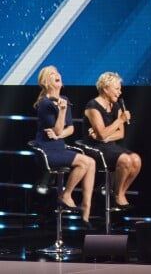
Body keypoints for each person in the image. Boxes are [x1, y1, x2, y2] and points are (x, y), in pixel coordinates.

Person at [33, 65, 96, 229]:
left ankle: (86, 210)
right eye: (52, 74)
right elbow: (59, 128)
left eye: (57, 72)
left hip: (59, 147)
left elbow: (70, 129)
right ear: (46, 83)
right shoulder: (45, 104)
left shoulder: (65, 99)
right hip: (46, 151)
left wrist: (59, 135)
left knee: (92, 162)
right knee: (84, 162)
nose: (57, 75)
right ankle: (66, 195)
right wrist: (61, 112)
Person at [82, 71, 141, 210]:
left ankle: (119, 192)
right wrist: (119, 120)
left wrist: (104, 136)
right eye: (116, 88)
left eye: (120, 89)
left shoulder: (116, 106)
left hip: (110, 145)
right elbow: (101, 134)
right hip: (93, 147)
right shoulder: (92, 106)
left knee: (136, 160)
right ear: (105, 88)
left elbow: (120, 134)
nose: (119, 92)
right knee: (125, 160)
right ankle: (118, 197)